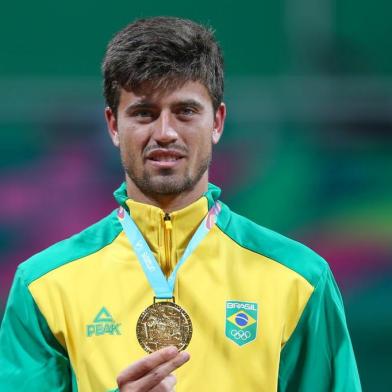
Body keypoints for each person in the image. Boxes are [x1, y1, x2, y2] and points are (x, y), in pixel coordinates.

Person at [0, 16, 361, 392]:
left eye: (185, 111)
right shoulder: (43, 285)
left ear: (217, 122)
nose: (165, 133)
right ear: (112, 125)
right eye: (144, 113)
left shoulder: (299, 278)